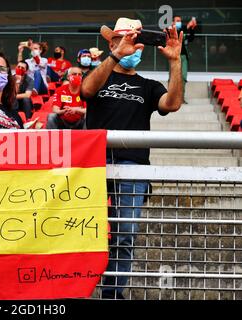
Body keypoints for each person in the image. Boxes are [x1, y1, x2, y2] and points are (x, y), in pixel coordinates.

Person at [81, 17, 183, 299]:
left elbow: (171, 104)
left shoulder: (148, 86)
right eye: (127, 39)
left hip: (133, 168)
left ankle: (112, 295)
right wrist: (114, 57)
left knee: (124, 234)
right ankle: (78, 290)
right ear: (113, 43)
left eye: (137, 41)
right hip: (91, 164)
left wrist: (175, 61)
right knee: (83, 234)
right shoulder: (100, 74)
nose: (133, 47)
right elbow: (86, 91)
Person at [172, 15, 198, 104]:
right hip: (174, 58)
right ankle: (171, 98)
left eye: (180, 20)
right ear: (173, 22)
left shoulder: (183, 30)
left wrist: (192, 28)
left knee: (183, 77)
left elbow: (190, 38)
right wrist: (187, 27)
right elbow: (177, 37)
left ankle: (181, 98)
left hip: (183, 57)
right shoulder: (171, 31)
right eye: (177, 20)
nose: (179, 22)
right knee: (173, 78)